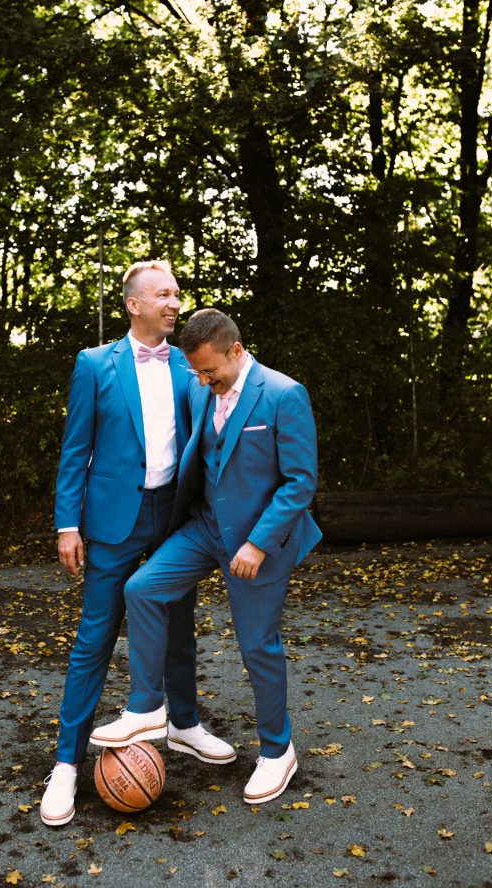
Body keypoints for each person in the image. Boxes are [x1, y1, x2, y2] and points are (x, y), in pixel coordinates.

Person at [90, 307, 322, 805]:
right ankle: (148, 706)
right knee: (143, 588)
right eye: (196, 371)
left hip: (258, 542)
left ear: (236, 351)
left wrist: (258, 543)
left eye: (210, 370)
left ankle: (278, 752)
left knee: (257, 645)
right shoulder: (200, 386)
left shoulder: (284, 395)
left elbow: (300, 482)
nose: (202, 379)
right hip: (204, 528)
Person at [40, 266, 235, 828]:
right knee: (95, 636)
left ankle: (185, 724)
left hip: (174, 515)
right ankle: (67, 765)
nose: (175, 302)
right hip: (111, 521)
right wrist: (67, 524)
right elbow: (76, 449)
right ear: (133, 305)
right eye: (164, 294)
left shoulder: (189, 363)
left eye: (176, 293)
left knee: (177, 621)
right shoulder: (94, 364)